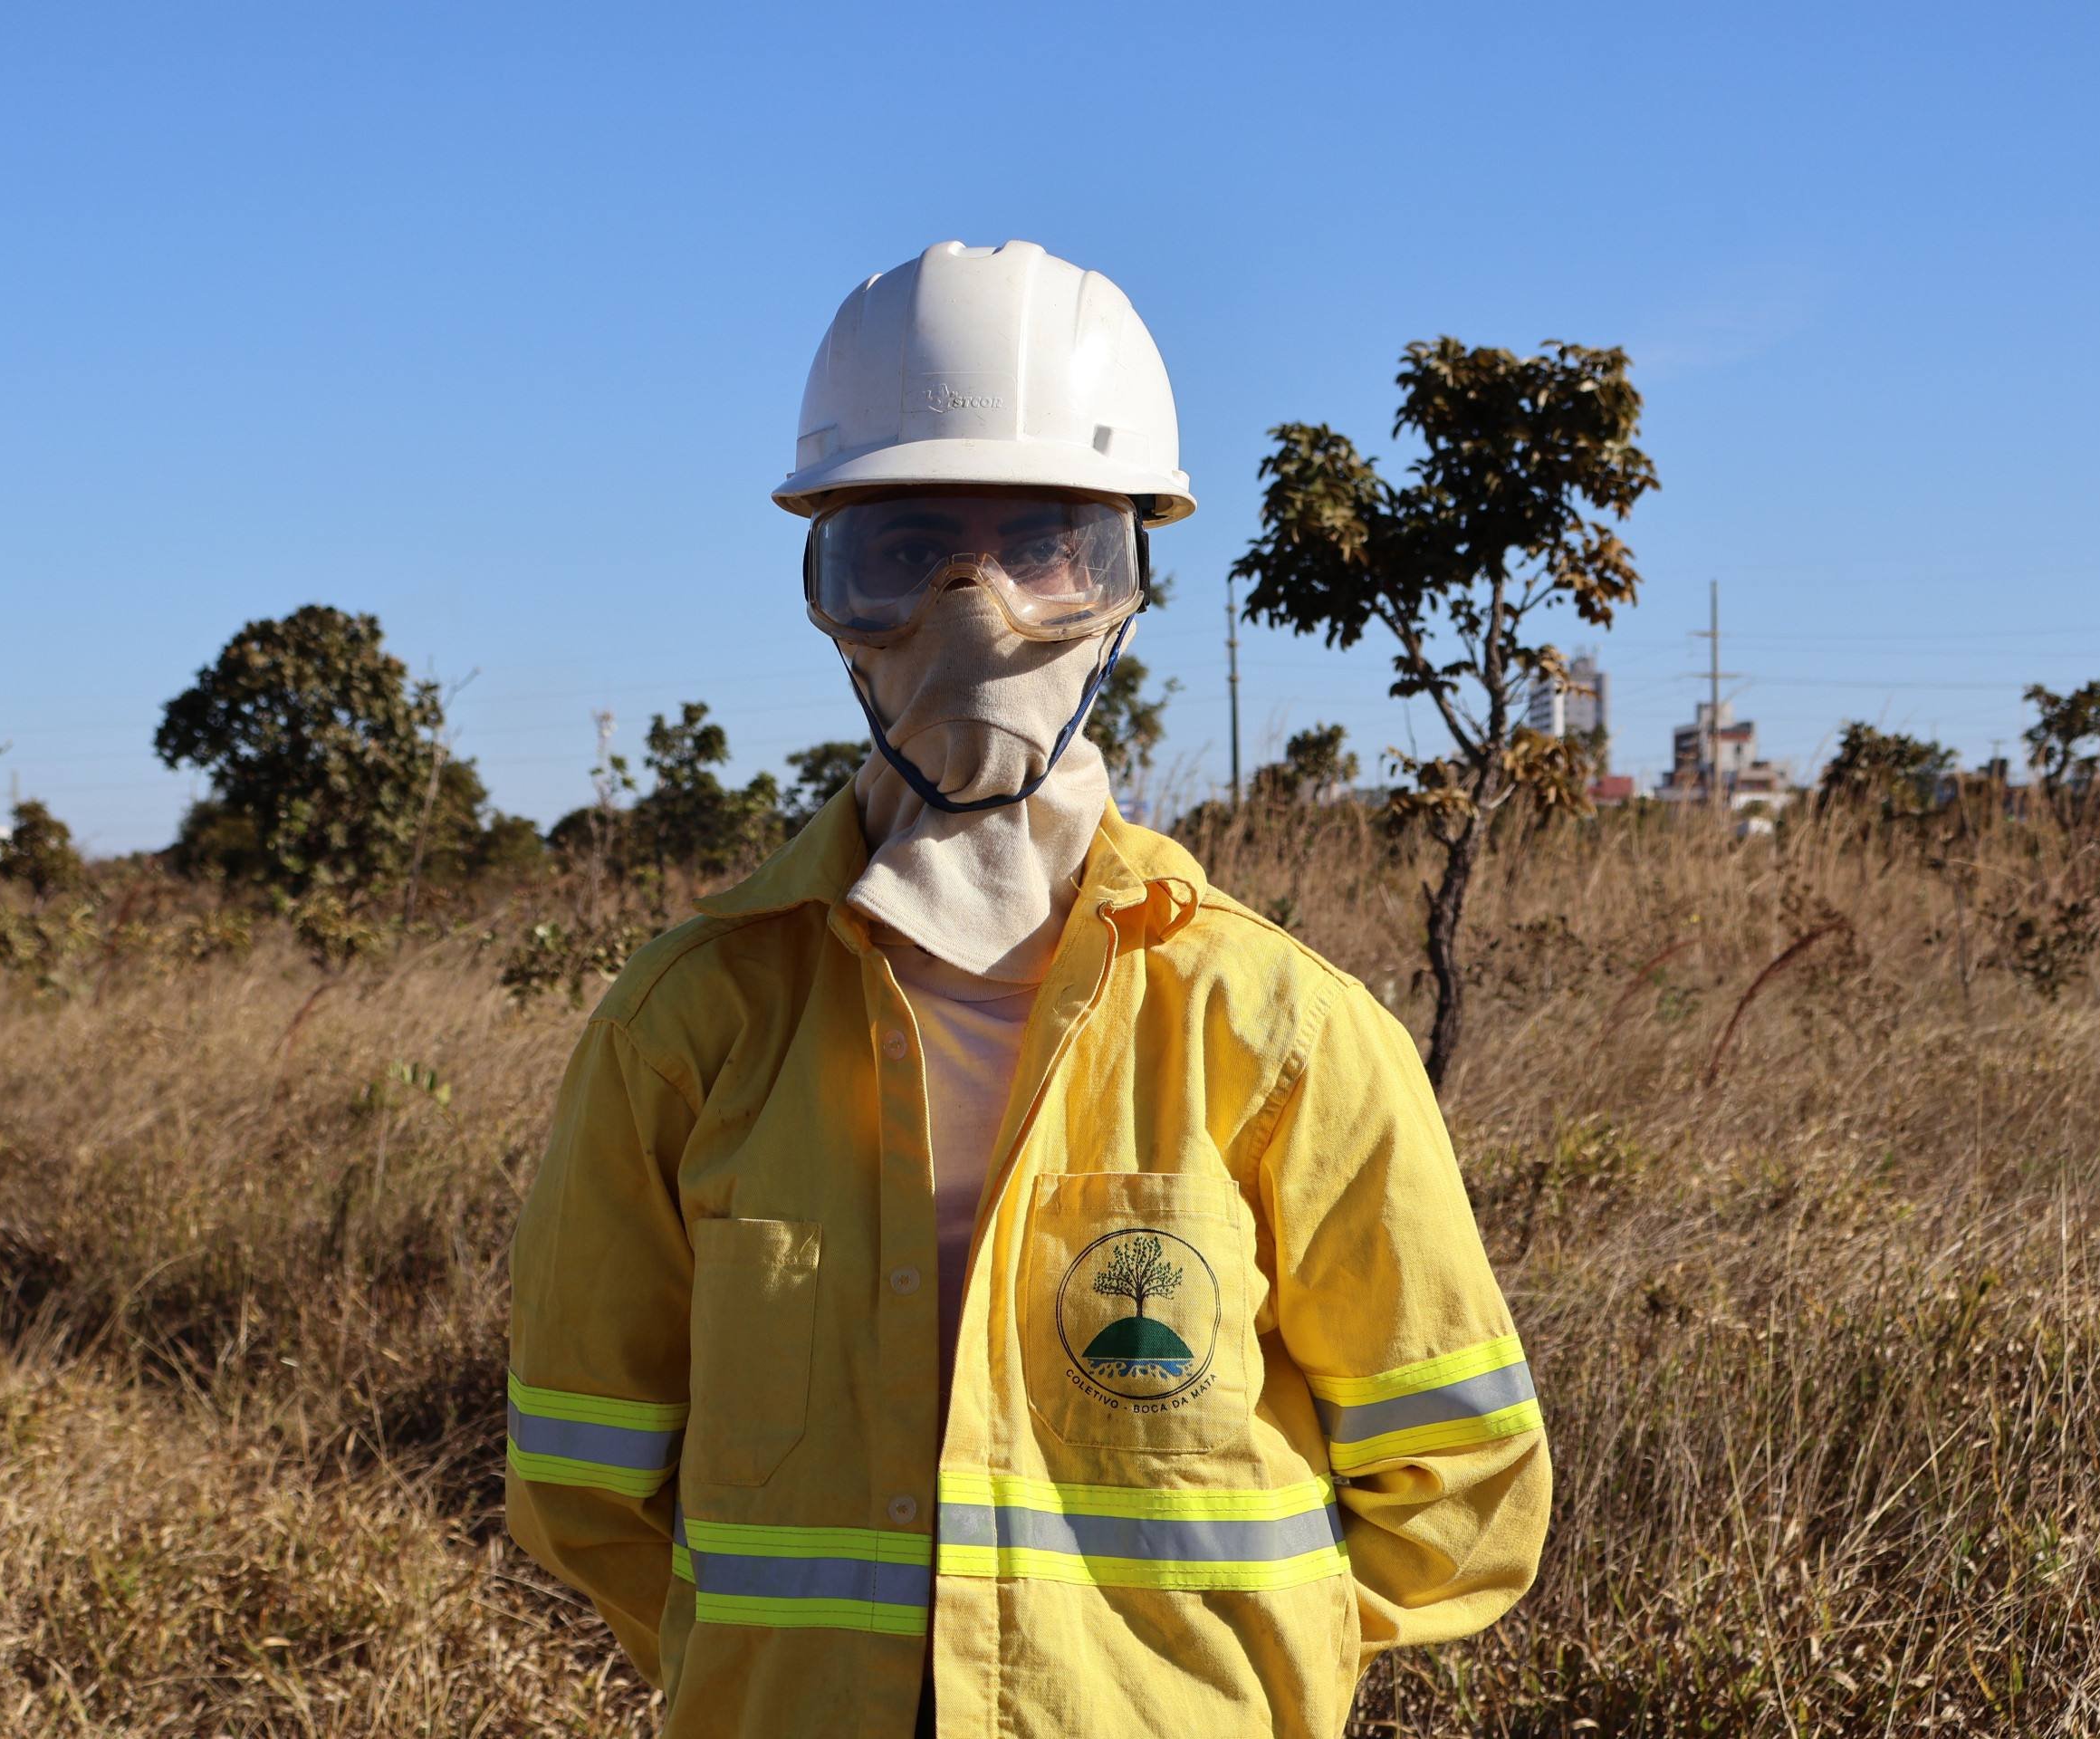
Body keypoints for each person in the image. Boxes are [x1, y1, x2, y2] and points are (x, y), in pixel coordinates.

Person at [507, 240, 1549, 1738]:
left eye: (1046, 549)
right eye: (907, 551)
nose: (974, 611)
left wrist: (1223, 1688)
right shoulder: (689, 1028)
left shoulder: (1278, 1034)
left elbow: (1463, 1487)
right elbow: (579, 1481)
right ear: (830, 593)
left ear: (1125, 587)